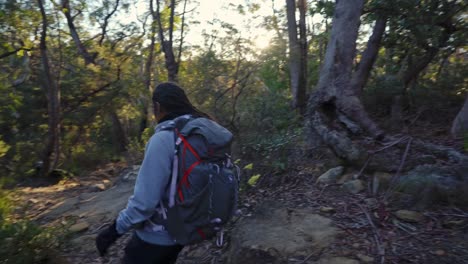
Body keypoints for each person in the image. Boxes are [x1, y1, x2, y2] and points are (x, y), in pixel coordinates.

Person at [95, 82, 211, 264]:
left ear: (157, 106)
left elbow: (144, 203)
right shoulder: (202, 133)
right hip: (187, 228)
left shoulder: (163, 139)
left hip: (157, 236)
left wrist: (113, 231)